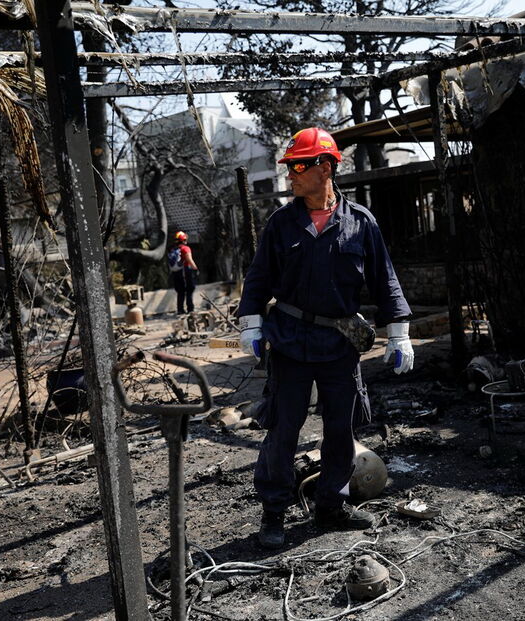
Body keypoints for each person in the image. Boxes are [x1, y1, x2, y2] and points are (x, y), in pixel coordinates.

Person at [236, 127, 414, 549]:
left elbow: (384, 280)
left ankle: (331, 504)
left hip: (339, 343)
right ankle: (274, 513)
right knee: (284, 429)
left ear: (327, 167)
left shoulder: (361, 223)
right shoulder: (281, 224)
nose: (291, 175)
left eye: (299, 165)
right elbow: (259, 277)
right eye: (290, 167)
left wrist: (400, 334)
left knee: (340, 426)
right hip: (292, 341)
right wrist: (250, 322)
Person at [168, 230, 198, 314]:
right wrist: (195, 269)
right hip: (185, 271)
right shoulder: (185, 248)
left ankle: (180, 309)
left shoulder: (173, 249)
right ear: (184, 240)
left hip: (176, 272)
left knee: (180, 291)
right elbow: (189, 259)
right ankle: (190, 309)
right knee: (189, 289)